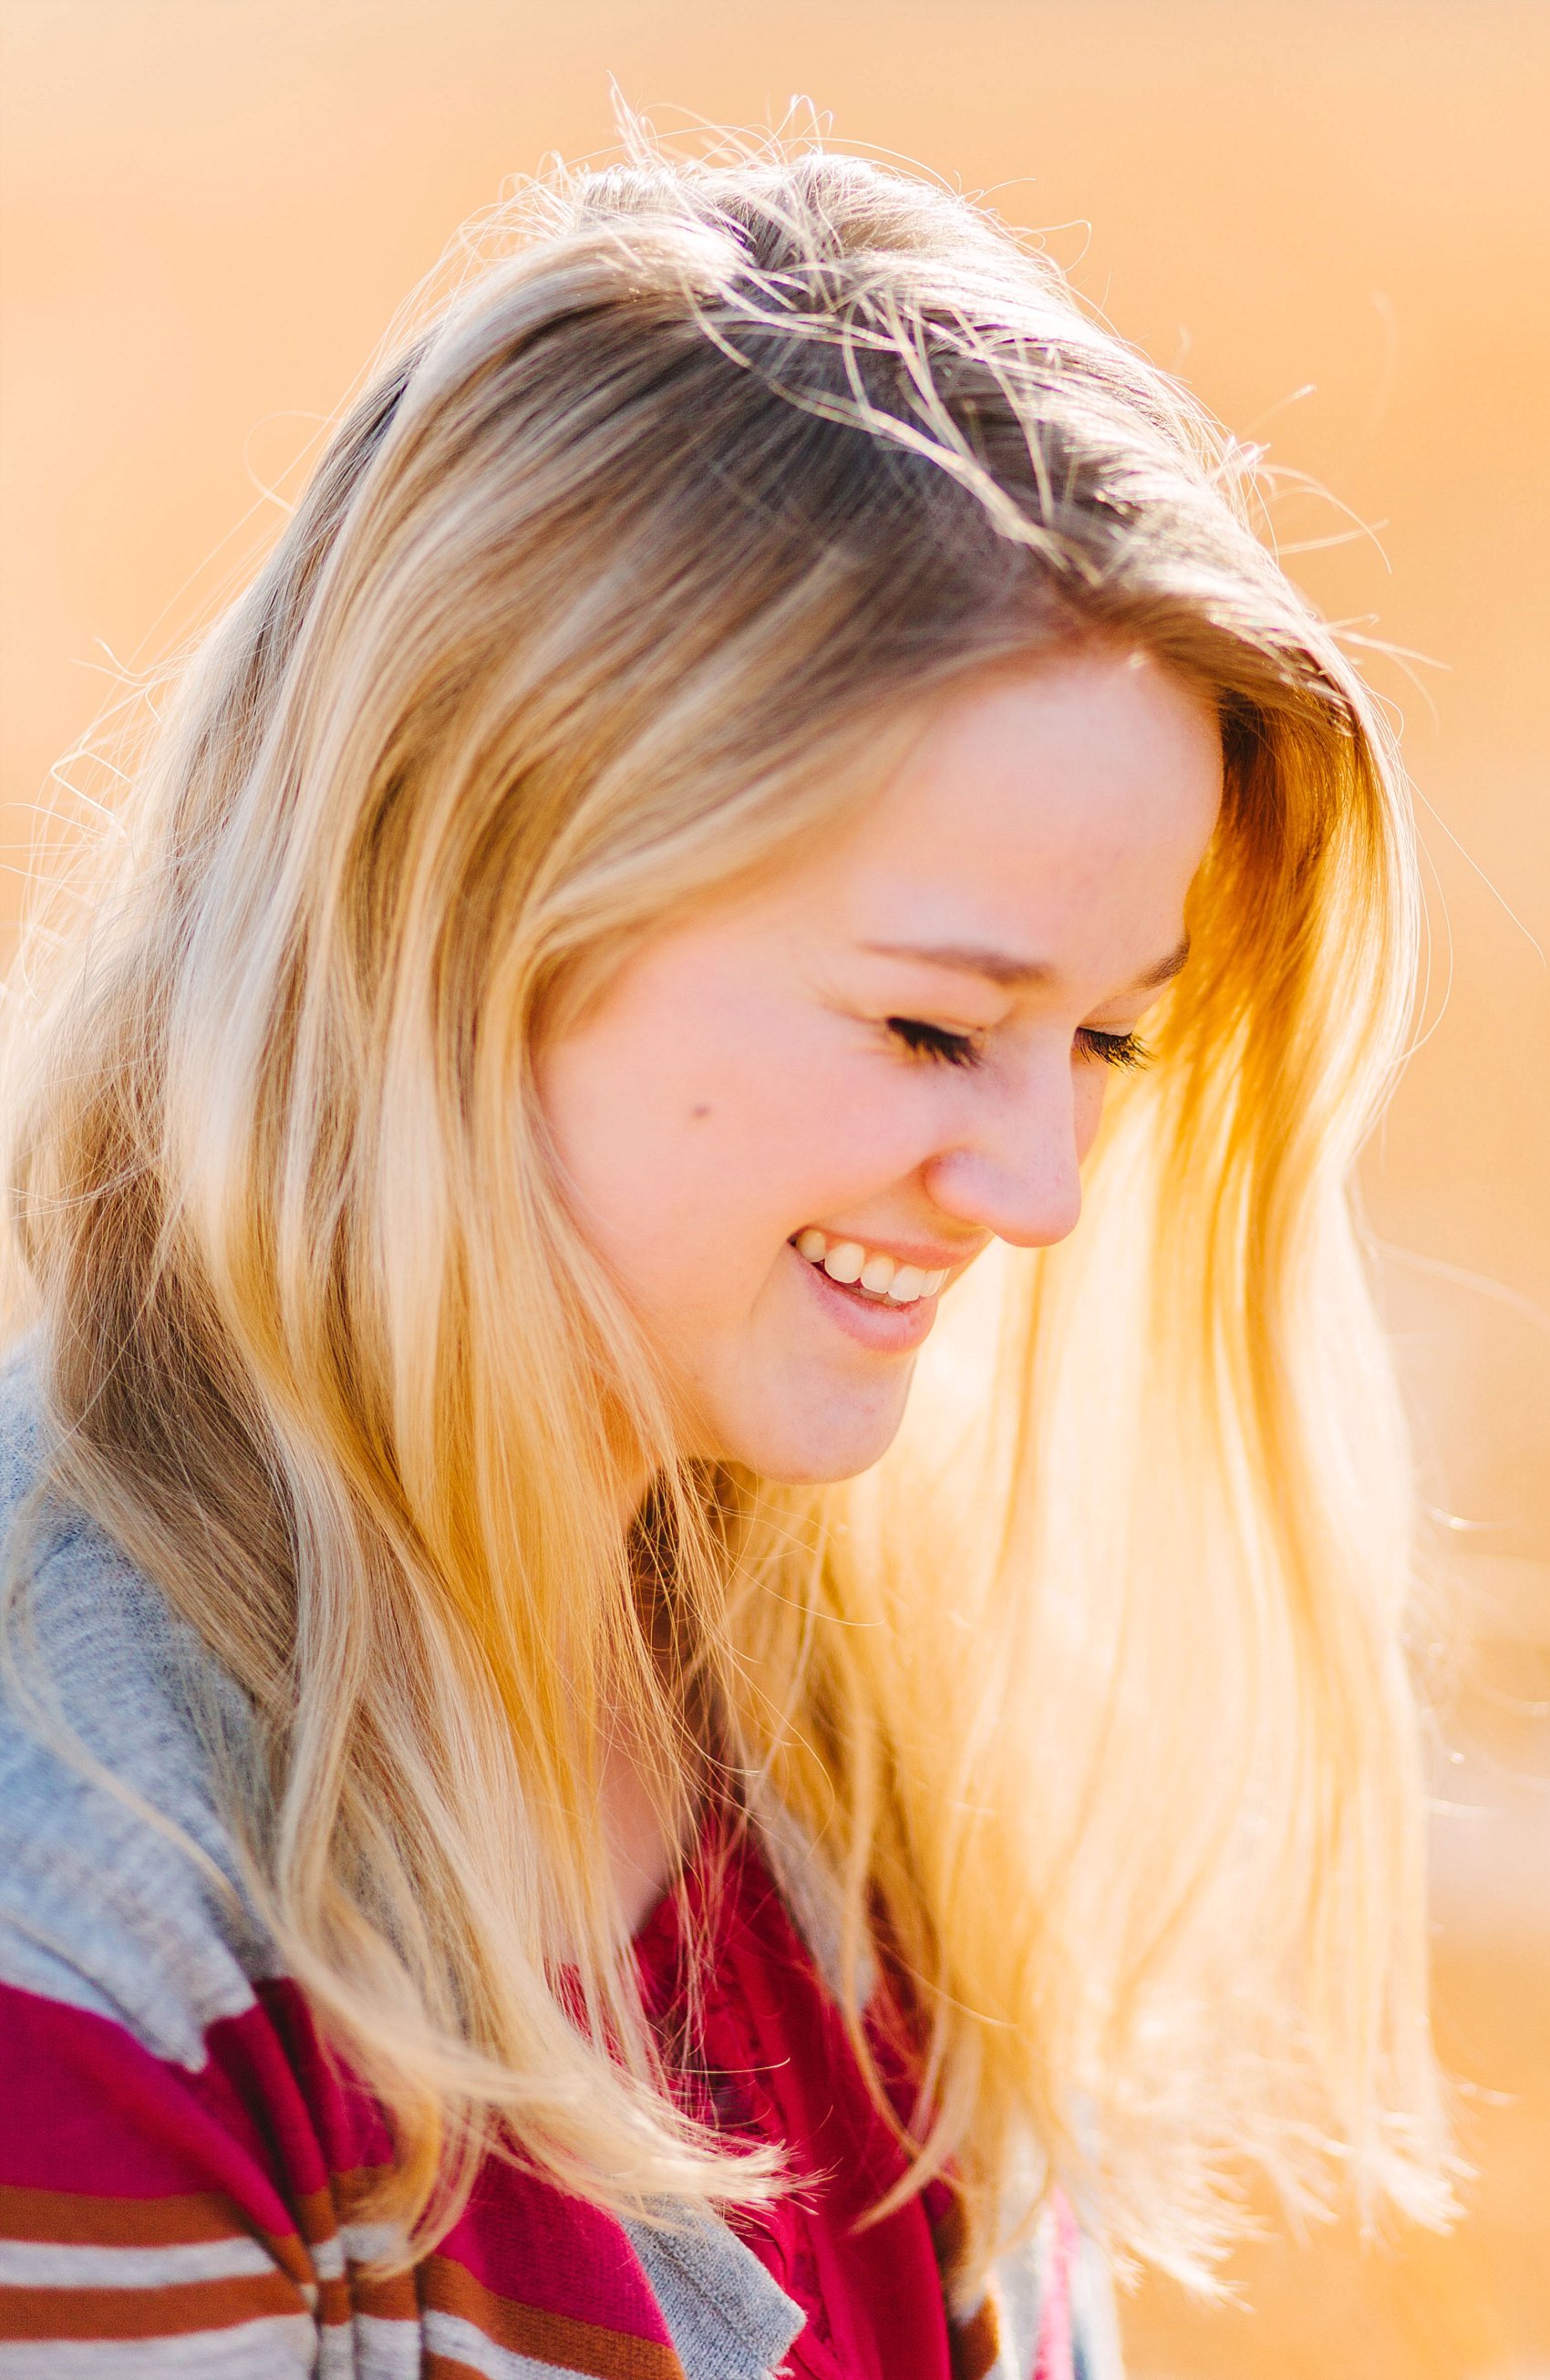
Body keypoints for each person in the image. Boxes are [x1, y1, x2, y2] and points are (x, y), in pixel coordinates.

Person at [0, 137, 1450, 2374]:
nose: (1041, 1187)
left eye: (1108, 1039)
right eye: (934, 1025)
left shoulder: (833, 1757)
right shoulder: (84, 1942)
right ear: (470, 913)